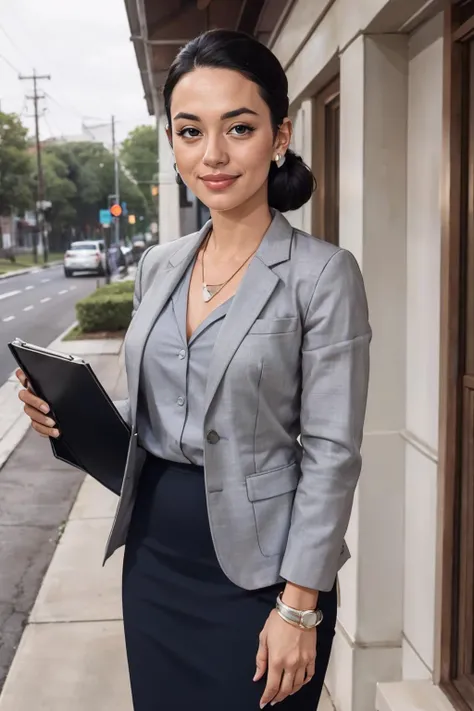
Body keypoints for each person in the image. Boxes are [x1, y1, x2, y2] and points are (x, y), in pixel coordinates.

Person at [16, 29, 371, 711]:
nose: (212, 154)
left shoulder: (323, 275)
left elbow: (332, 455)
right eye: (190, 130)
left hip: (262, 575)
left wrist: (300, 605)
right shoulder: (159, 264)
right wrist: (71, 422)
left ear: (279, 134)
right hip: (153, 555)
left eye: (238, 127)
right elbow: (155, 425)